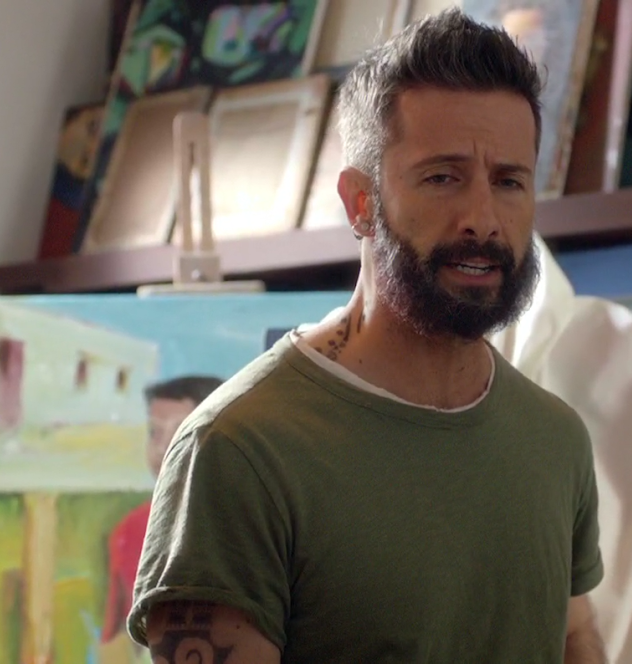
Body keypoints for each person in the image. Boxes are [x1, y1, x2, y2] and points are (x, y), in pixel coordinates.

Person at [126, 9, 607, 663]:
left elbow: (574, 632)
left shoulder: (555, 441)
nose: (484, 218)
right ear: (360, 203)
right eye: (443, 177)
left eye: (509, 181)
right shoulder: (238, 452)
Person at [100, 375, 225, 646]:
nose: (161, 448)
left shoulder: (246, 527)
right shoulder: (131, 529)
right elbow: (116, 639)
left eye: (181, 432)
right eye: (155, 432)